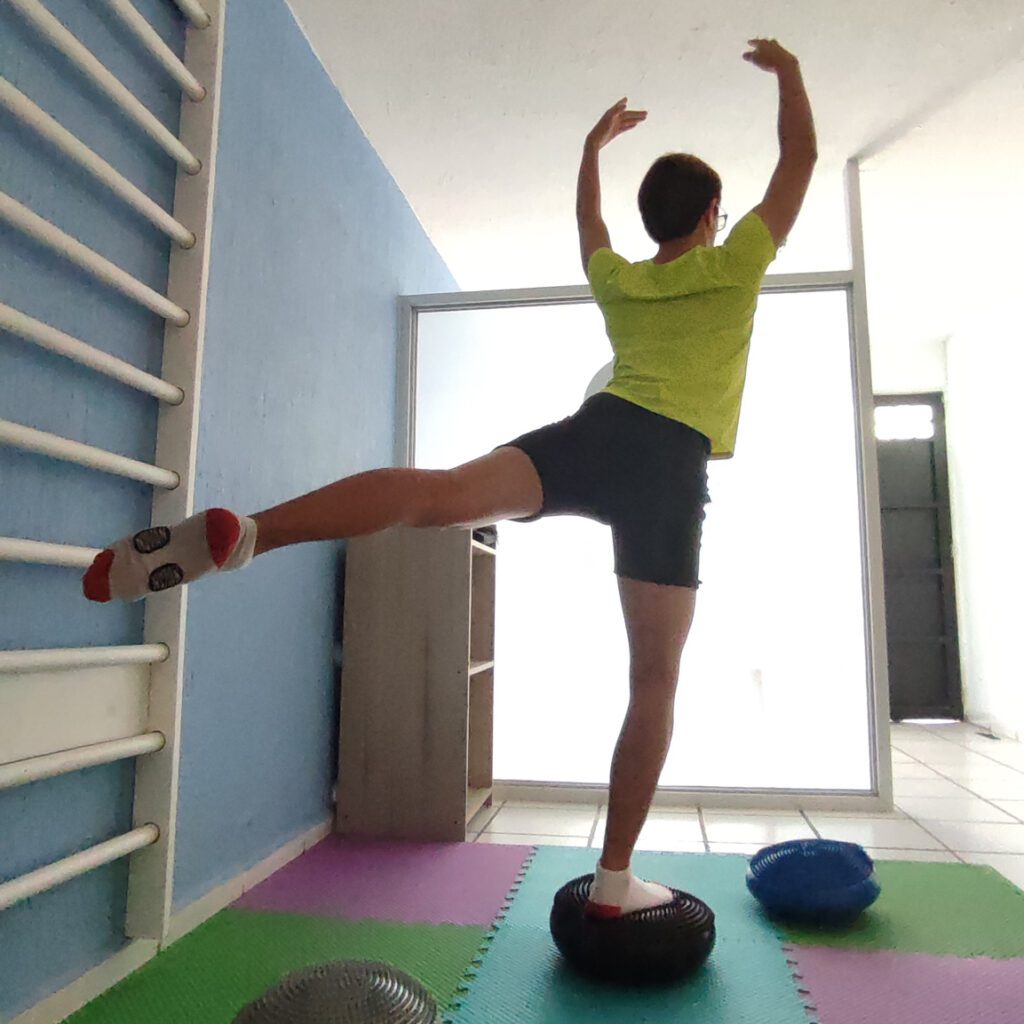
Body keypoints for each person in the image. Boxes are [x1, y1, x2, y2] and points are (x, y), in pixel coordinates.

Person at [83, 37, 816, 919]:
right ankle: (615, 879)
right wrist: (789, 74)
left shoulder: (622, 283)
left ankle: (256, 534)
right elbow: (800, 160)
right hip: (669, 472)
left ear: (654, 220)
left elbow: (589, 225)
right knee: (654, 679)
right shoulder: (735, 266)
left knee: (438, 493)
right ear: (712, 216)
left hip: (599, 431)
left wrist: (590, 150)